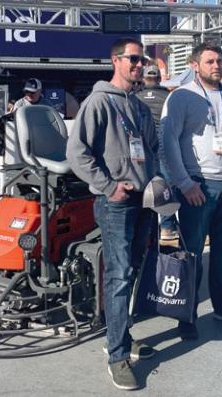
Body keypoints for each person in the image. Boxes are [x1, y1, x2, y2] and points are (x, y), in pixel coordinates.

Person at [66, 38, 158, 391]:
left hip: (143, 201)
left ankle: (121, 335)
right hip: (116, 202)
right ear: (115, 60)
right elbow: (77, 153)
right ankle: (117, 356)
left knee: (130, 271)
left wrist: (156, 182)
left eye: (142, 59)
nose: (139, 65)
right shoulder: (99, 102)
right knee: (119, 276)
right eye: (132, 59)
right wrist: (108, 186)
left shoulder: (138, 106)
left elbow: (151, 150)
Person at [160, 42, 222, 340]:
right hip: (198, 186)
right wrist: (184, 183)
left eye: (219, 61)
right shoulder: (181, 97)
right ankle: (187, 314)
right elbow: (169, 143)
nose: (217, 66)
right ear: (194, 65)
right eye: (210, 61)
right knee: (192, 254)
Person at [136, 63, 178, 241]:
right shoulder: (169, 96)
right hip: (163, 141)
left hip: (141, 144)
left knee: (143, 184)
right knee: (165, 184)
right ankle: (167, 226)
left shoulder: (136, 97)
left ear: (144, 78)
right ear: (159, 78)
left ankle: (148, 228)